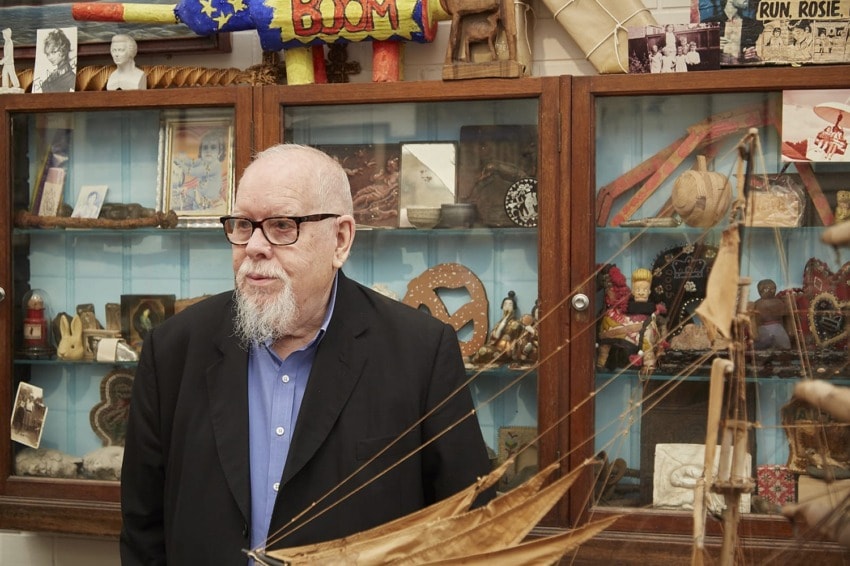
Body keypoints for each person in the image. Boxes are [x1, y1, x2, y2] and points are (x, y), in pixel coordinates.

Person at [119, 144, 493, 564]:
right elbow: (143, 530)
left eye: (282, 226)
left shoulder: (421, 354)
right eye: (244, 225)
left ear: (340, 239)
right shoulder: (172, 350)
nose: (255, 247)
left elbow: (468, 529)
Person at [751, 279, 791, 350]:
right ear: (760, 290)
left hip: (778, 329)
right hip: (764, 329)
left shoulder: (779, 302)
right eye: (767, 289)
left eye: (773, 288)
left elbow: (785, 318)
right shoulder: (757, 304)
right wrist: (755, 333)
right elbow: (754, 320)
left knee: (784, 348)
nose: (771, 291)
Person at [36, 29, 76, 93]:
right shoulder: (56, 74)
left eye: (53, 52)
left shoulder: (70, 77)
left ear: (63, 50)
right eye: (48, 54)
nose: (50, 57)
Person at [1, 28, 22, 93]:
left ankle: (16, 85)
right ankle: (5, 86)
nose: (3, 35)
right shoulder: (6, 42)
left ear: (7, 35)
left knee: (12, 73)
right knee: (4, 73)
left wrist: (2, 61)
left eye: (4, 34)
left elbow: (8, 55)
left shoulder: (9, 43)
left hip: (9, 63)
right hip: (6, 63)